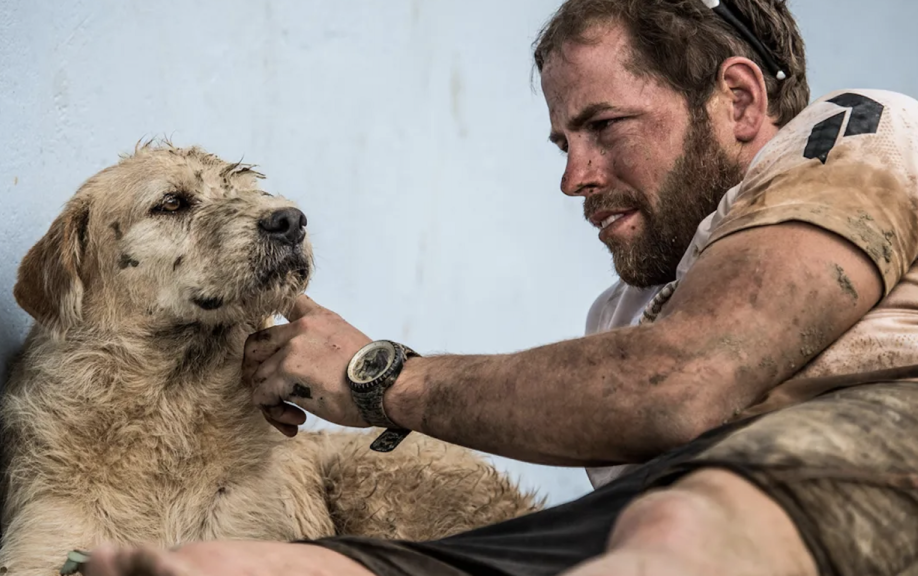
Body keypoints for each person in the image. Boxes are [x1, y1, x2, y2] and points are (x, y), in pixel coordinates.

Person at [82, 0, 918, 574]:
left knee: (687, 521)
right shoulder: (623, 315)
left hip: (861, 453)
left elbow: (676, 382)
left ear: (737, 97)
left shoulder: (853, 135)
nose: (574, 177)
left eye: (603, 126)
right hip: (666, 514)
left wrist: (381, 375)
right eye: (562, 141)